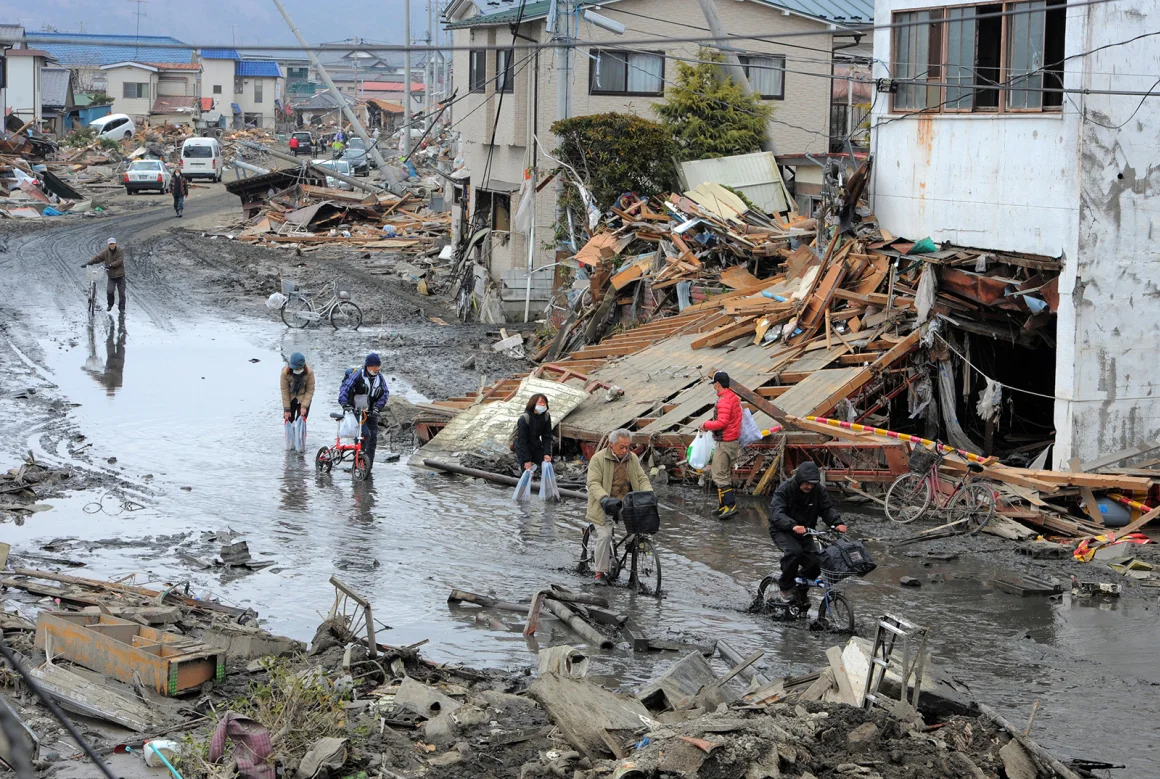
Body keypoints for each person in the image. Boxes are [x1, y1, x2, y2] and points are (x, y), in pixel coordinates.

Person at [769, 462, 848, 602]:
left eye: (812, 484)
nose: (809, 487)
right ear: (799, 480)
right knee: (794, 553)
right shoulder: (785, 489)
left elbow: (827, 509)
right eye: (806, 483)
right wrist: (792, 525)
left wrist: (837, 523)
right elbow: (776, 512)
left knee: (816, 562)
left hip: (805, 532)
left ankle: (799, 591)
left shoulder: (819, 491)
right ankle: (785, 587)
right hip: (782, 530)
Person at [586, 429, 652, 585]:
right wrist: (604, 498)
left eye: (628, 447)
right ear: (611, 444)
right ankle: (599, 573)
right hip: (604, 505)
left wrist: (649, 493)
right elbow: (593, 483)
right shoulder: (598, 459)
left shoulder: (632, 458)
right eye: (621, 447)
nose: (625, 450)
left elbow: (642, 478)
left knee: (643, 530)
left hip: (626, 504)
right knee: (604, 536)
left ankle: (634, 569)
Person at [701, 371, 742, 519]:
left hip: (725, 442)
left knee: (719, 474)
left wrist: (705, 425)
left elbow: (722, 423)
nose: (714, 387)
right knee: (723, 473)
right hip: (732, 440)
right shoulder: (733, 397)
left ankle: (730, 506)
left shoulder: (724, 400)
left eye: (714, 384)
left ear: (718, 384)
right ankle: (722, 505)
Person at [338, 353, 389, 472]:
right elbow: (345, 389)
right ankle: (357, 464)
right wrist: (344, 403)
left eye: (378, 366)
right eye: (375, 366)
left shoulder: (380, 378)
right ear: (368, 366)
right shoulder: (357, 375)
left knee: (373, 438)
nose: (377, 369)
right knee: (364, 434)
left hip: (371, 411)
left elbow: (385, 393)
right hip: (356, 410)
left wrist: (378, 408)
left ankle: (367, 468)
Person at [82, 237, 127, 313]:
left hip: (120, 276)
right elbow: (98, 258)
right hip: (111, 276)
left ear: (115, 244)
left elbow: (119, 261)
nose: (112, 245)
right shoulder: (106, 252)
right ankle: (110, 304)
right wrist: (88, 263)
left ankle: (122, 309)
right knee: (110, 291)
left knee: (122, 293)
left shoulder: (120, 251)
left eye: (113, 244)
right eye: (110, 244)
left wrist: (110, 265)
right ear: (108, 245)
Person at [514, 394, 553, 474]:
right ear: (533, 403)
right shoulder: (524, 418)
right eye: (540, 402)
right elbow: (522, 441)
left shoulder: (546, 416)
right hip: (522, 446)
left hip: (535, 444)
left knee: (546, 465)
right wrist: (527, 460)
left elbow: (547, 436)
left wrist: (547, 453)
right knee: (527, 470)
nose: (543, 405)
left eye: (544, 403)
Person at [281, 352, 315, 425]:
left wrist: (304, 406)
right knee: (289, 419)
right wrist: (287, 409)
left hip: (304, 398)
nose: (297, 370)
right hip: (291, 397)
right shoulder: (285, 373)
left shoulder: (309, 372)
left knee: (301, 421)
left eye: (298, 368)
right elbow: (285, 392)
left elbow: (310, 391)